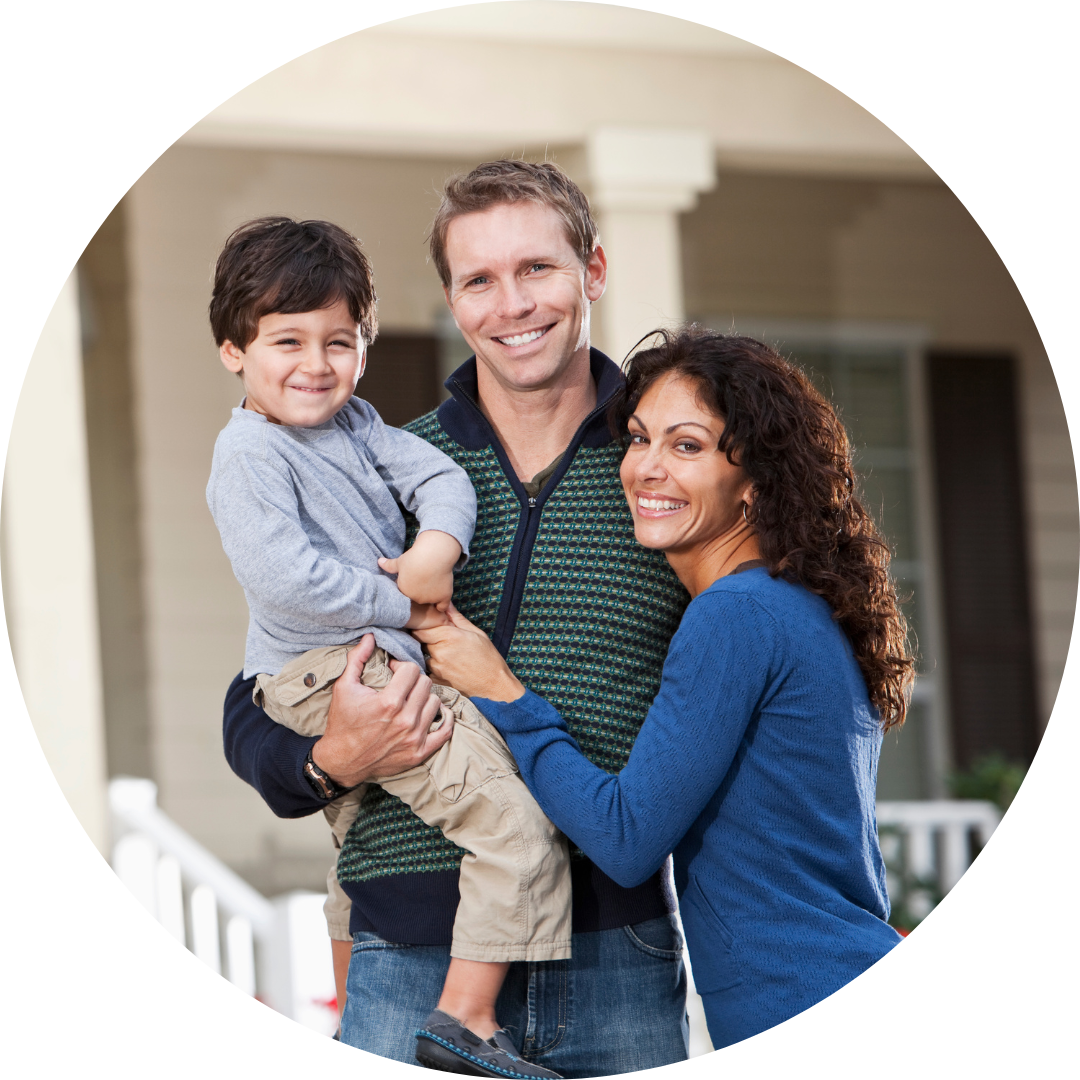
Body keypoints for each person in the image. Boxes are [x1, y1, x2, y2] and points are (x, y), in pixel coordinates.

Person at [222, 163, 692, 1074]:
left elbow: (738, 658)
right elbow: (259, 686)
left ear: (593, 271)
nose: (512, 305)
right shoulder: (379, 462)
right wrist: (326, 762)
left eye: (538, 270)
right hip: (409, 953)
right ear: (451, 298)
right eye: (479, 279)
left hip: (617, 956)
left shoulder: (663, 467)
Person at [415, 327, 914, 1050]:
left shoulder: (735, 615)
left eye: (686, 446)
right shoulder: (789, 603)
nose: (646, 467)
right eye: (640, 438)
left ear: (754, 480)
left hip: (798, 989)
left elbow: (626, 839)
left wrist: (500, 690)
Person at [207, 216, 573, 1078]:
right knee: (517, 829)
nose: (316, 364)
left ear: (365, 346)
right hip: (329, 668)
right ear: (234, 351)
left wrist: (436, 550)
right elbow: (288, 580)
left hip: (365, 657)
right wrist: (404, 607)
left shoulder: (357, 425)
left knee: (356, 844)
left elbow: (439, 478)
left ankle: (355, 1014)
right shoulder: (248, 454)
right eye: (287, 341)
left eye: (340, 341)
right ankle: (465, 1018)